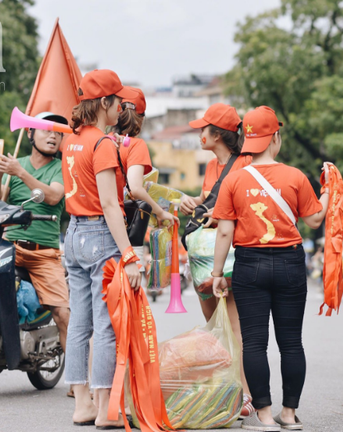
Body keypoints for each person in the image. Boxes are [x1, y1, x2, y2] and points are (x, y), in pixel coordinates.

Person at [211, 106, 329, 431]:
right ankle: (289, 414)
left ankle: (264, 415)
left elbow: (224, 230)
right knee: (291, 342)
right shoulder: (295, 176)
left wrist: (218, 273)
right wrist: (330, 193)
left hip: (249, 264)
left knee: (254, 342)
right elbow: (316, 219)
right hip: (290, 261)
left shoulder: (233, 179)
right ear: (275, 137)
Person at [61, 69, 140, 428]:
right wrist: (130, 254)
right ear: (105, 103)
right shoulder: (103, 144)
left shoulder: (72, 140)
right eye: (119, 101)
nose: (122, 107)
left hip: (73, 235)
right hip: (99, 237)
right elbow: (111, 205)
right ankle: (106, 406)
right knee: (105, 325)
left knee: (79, 324)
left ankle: (82, 405)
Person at [180, 103, 255, 417]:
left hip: (233, 255)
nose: (199, 134)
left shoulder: (247, 163)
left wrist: (223, 215)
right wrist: (191, 202)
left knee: (236, 327)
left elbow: (250, 208)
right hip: (206, 257)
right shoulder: (211, 167)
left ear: (219, 134)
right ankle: (225, 389)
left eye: (204, 129)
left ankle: (246, 394)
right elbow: (208, 200)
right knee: (215, 325)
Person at [0, 112, 70, 356]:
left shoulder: (61, 168)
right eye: (47, 130)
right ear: (30, 133)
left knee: (63, 315)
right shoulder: (16, 164)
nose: (53, 136)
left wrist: (19, 172)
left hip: (44, 253)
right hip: (10, 247)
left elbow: (53, 196)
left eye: (58, 133)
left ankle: (78, 382)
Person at [111, 86, 176, 283]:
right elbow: (136, 188)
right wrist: (160, 211)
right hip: (123, 230)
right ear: (141, 119)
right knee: (130, 296)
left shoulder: (100, 140)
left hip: (92, 229)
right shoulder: (135, 145)